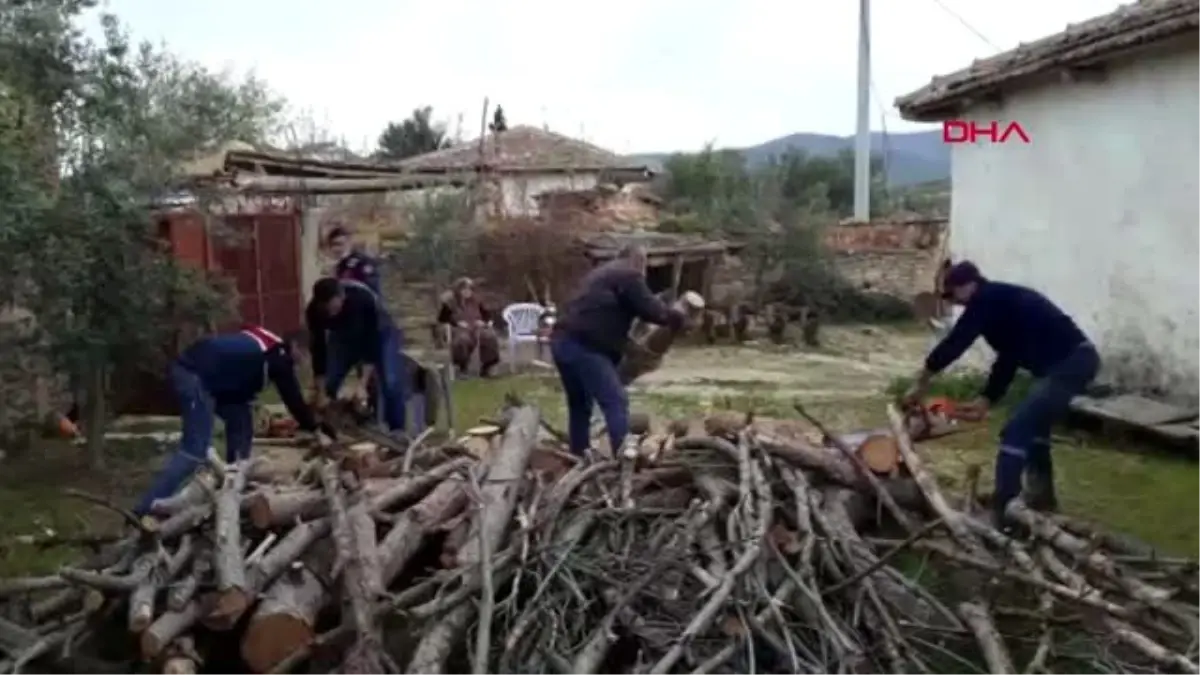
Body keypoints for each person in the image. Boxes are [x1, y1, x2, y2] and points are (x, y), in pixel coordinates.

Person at [901, 261, 1099, 525]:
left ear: (969, 285)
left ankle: (1004, 513)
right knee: (1035, 428)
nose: (956, 304)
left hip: (1074, 363)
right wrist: (986, 399)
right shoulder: (1001, 306)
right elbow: (1008, 358)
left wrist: (922, 379)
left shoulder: (988, 298)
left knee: (1015, 430)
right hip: (1072, 362)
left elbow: (958, 340)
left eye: (952, 295)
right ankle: (1041, 500)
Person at [134, 325, 331, 516]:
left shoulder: (267, 340)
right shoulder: (278, 358)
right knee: (195, 451)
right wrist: (316, 427)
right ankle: (145, 508)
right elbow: (293, 400)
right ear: (297, 346)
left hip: (213, 379)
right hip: (193, 375)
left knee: (241, 422)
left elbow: (238, 363)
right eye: (306, 356)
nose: (304, 363)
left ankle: (233, 486)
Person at [551, 244, 686, 457]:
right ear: (639, 260)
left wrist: (629, 346)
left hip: (562, 342)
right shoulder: (629, 274)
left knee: (580, 405)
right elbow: (652, 311)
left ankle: (578, 454)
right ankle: (622, 458)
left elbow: (602, 318)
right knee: (616, 401)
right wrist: (677, 317)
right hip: (586, 347)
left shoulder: (598, 276)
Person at [306, 277, 407, 435]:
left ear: (342, 297)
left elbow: (371, 343)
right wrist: (320, 390)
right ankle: (327, 427)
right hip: (343, 336)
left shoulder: (361, 299)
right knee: (330, 382)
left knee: (389, 380)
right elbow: (318, 349)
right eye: (326, 309)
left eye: (334, 308)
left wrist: (362, 384)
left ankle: (397, 430)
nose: (331, 313)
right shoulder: (314, 311)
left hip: (380, 333)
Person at [437, 277, 500, 377]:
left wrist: (484, 322)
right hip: (459, 329)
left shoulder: (477, 301)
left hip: (476, 327)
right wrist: (456, 323)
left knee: (489, 336)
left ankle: (487, 367)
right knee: (462, 340)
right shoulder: (450, 303)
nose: (467, 291)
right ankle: (462, 367)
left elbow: (487, 316)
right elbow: (442, 319)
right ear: (458, 290)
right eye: (464, 289)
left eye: (470, 289)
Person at [327, 225, 382, 295]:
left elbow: (370, 291)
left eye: (340, 244)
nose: (336, 249)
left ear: (349, 243)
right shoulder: (339, 266)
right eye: (332, 245)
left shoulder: (362, 262)